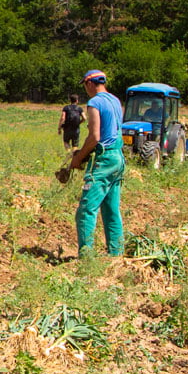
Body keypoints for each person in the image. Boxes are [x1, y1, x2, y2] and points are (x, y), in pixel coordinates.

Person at [58, 69, 124, 256]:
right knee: (111, 210)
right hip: (117, 158)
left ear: (89, 84)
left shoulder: (95, 102)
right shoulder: (115, 100)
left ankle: (86, 257)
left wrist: (78, 158)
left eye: (85, 86)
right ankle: (116, 254)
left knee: (86, 210)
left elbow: (95, 136)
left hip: (103, 161)